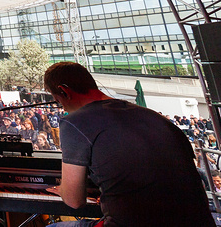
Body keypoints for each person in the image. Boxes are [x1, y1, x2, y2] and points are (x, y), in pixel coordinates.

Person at [42, 62, 213, 227]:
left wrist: (64, 190)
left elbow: (74, 201)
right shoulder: (155, 117)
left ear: (64, 91)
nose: (61, 106)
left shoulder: (74, 122)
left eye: (58, 100)